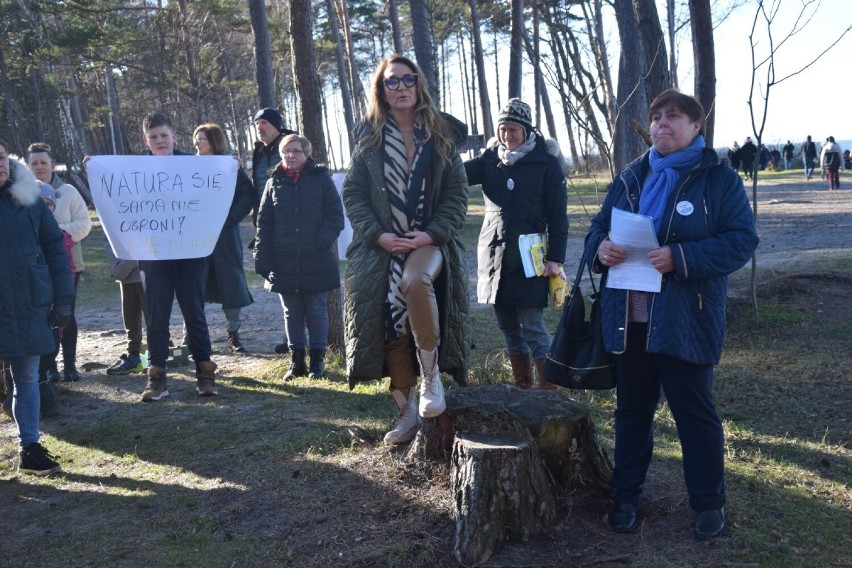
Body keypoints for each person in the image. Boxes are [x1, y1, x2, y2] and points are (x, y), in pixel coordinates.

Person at [586, 90, 758, 540]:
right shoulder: (631, 176)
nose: (663, 123)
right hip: (630, 312)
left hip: (686, 316)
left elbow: (742, 240)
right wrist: (599, 249)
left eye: (674, 117)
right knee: (631, 411)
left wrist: (680, 257)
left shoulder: (718, 179)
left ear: (696, 126)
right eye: (657, 117)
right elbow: (598, 229)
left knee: (694, 413)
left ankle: (708, 504)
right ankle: (626, 497)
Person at [342, 54, 471, 445]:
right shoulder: (368, 140)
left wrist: (431, 234)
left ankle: (431, 379)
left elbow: (457, 196)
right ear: (380, 91)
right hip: (382, 245)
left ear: (419, 85)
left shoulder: (442, 137)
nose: (399, 87)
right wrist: (376, 235)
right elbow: (353, 195)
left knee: (414, 282)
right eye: (390, 82)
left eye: (407, 79)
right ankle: (406, 413)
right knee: (389, 319)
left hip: (427, 242)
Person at [464, 98, 567, 390]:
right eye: (503, 129)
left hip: (530, 260)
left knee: (533, 328)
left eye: (513, 129)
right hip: (494, 257)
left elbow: (558, 216)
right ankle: (523, 390)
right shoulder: (489, 159)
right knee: (508, 328)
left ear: (526, 130)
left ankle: (549, 396)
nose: (507, 135)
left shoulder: (545, 163)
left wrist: (555, 259)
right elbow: (455, 176)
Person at [0, 138, 75, 474]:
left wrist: (63, 298)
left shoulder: (30, 201)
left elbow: (55, 251)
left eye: (0, 157)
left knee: (27, 377)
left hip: (28, 302)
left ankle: (30, 447)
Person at [137, 111, 217, 401]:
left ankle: (205, 375)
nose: (159, 141)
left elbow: (217, 195)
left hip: (190, 253)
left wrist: (228, 169)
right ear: (146, 140)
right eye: (153, 137)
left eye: (164, 135)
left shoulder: (193, 166)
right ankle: (156, 378)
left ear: (174, 137)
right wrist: (96, 170)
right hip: (154, 254)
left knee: (194, 314)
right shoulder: (133, 170)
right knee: (156, 318)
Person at [255, 134, 344, 379]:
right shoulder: (274, 182)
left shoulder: (321, 180)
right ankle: (296, 364)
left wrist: (320, 241)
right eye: (286, 151)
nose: (291, 155)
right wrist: (261, 257)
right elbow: (264, 223)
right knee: (291, 312)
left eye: (296, 151)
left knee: (316, 310)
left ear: (306, 154)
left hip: (317, 258)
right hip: (283, 260)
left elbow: (336, 216)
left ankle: (317, 363)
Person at [26, 143, 92, 382]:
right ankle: (49, 367)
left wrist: (54, 232)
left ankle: (70, 365)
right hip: (34, 268)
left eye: (43, 162)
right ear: (28, 166)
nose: (39, 167)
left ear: (52, 165)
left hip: (69, 265)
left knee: (67, 315)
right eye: (34, 163)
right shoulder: (22, 194)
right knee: (43, 317)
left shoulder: (69, 192)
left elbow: (84, 225)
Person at [193, 123, 254, 352]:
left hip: (224, 236)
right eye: (196, 138)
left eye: (202, 139)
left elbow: (246, 195)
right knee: (193, 283)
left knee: (231, 282)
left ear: (214, 142)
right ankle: (192, 336)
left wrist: (230, 218)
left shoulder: (228, 167)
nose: (197, 143)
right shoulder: (185, 165)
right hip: (195, 234)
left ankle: (233, 334)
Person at [251, 108, 295, 355]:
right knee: (279, 281)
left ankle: (301, 338)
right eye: (257, 123)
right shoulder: (258, 151)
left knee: (297, 281)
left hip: (292, 225)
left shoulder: (291, 145)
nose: (260, 127)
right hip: (267, 224)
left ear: (277, 125)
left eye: (264, 122)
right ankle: (291, 337)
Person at [103, 236, 149, 375]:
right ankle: (134, 356)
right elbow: (109, 241)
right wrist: (120, 268)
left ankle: (157, 357)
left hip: (148, 272)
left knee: (153, 318)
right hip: (126, 276)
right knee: (130, 316)